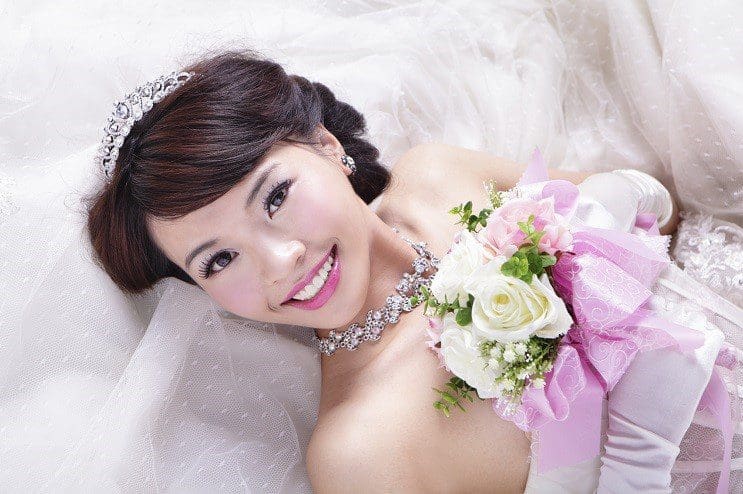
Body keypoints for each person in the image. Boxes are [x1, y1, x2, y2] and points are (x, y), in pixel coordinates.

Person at [84, 48, 741, 492]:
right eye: (219, 259)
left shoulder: (435, 177)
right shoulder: (359, 449)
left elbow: (667, 214)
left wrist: (596, 222)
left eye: (275, 197)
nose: (281, 261)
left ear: (325, 146)